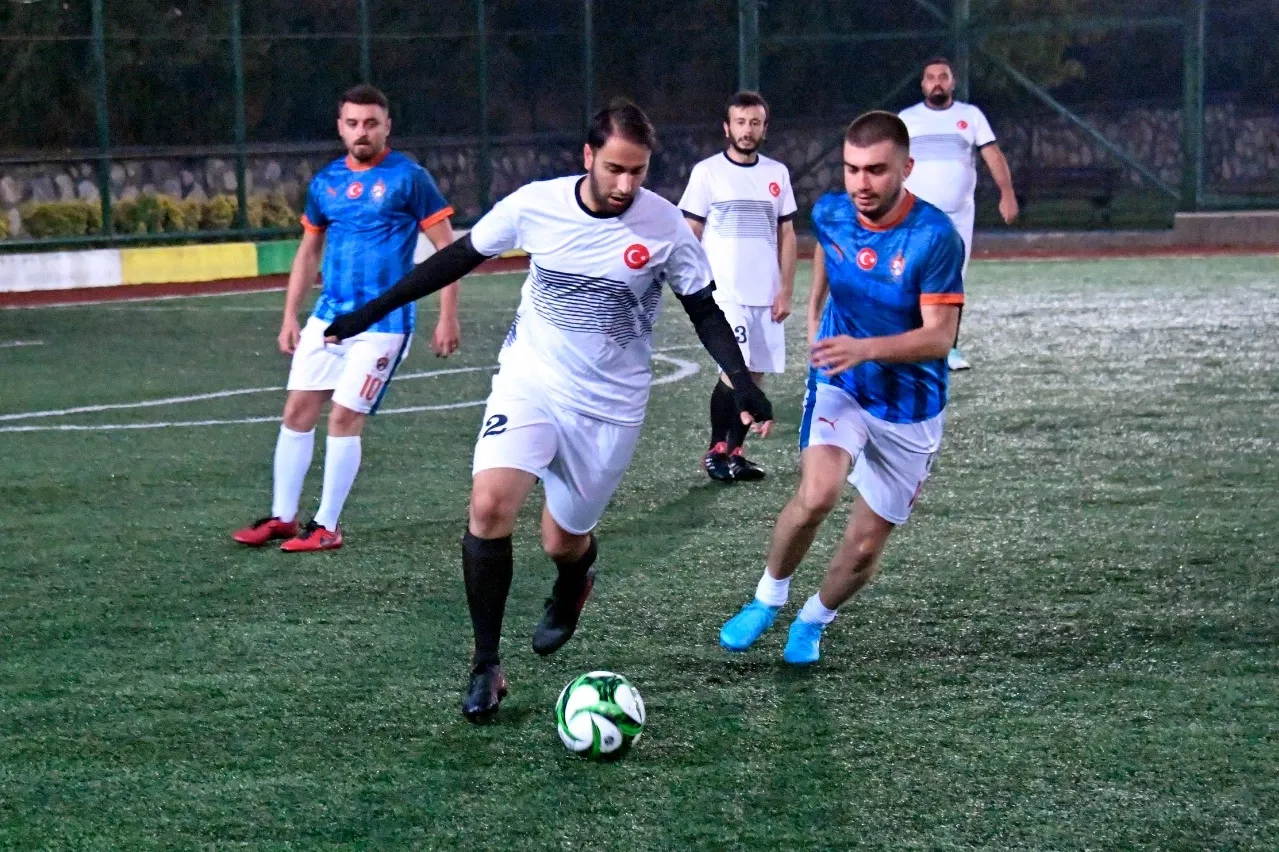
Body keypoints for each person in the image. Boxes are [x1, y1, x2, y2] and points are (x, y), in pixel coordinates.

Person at [323, 98, 775, 722]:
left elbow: (702, 308)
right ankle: (486, 663)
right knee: (489, 506)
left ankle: (575, 577)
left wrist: (742, 382)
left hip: (610, 406)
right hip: (530, 380)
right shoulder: (536, 205)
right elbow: (458, 256)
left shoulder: (665, 225)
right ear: (588, 156)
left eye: (638, 171)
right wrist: (370, 312)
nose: (626, 184)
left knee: (561, 540)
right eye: (614, 168)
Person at [719, 110, 964, 665]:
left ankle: (813, 620)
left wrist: (866, 348)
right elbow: (829, 248)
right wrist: (813, 312)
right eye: (852, 169)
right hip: (841, 383)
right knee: (818, 494)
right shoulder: (832, 211)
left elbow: (940, 337)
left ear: (907, 168)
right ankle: (767, 598)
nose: (861, 183)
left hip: (911, 407)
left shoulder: (934, 237)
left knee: (865, 546)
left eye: (876, 170)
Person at [231, 84, 460, 552]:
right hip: (329, 319)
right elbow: (308, 251)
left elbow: (448, 251)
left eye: (371, 123)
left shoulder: (410, 178)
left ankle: (327, 526)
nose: (362, 132)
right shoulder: (326, 182)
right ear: (340, 127)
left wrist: (447, 316)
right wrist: (290, 315)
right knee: (297, 411)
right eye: (353, 123)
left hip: (384, 323)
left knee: (343, 417)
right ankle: (283, 518)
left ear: (387, 126)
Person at [678, 91, 797, 482]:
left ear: (765, 128)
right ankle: (717, 450)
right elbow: (690, 231)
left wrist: (785, 289)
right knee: (735, 371)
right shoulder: (707, 172)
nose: (748, 130)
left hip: (766, 293)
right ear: (727, 128)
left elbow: (787, 234)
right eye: (741, 123)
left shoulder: (777, 174)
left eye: (755, 123)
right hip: (726, 294)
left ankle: (736, 453)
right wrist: (692, 283)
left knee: (756, 374)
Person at [899, 56, 1018, 371]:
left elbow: (992, 154)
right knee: (910, 277)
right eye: (931, 77)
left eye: (943, 77)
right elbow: (890, 159)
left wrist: (1007, 193)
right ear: (922, 84)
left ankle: (948, 348)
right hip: (915, 216)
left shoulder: (971, 116)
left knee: (952, 280)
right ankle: (910, 346)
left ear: (953, 82)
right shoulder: (907, 119)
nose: (937, 82)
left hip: (958, 216)